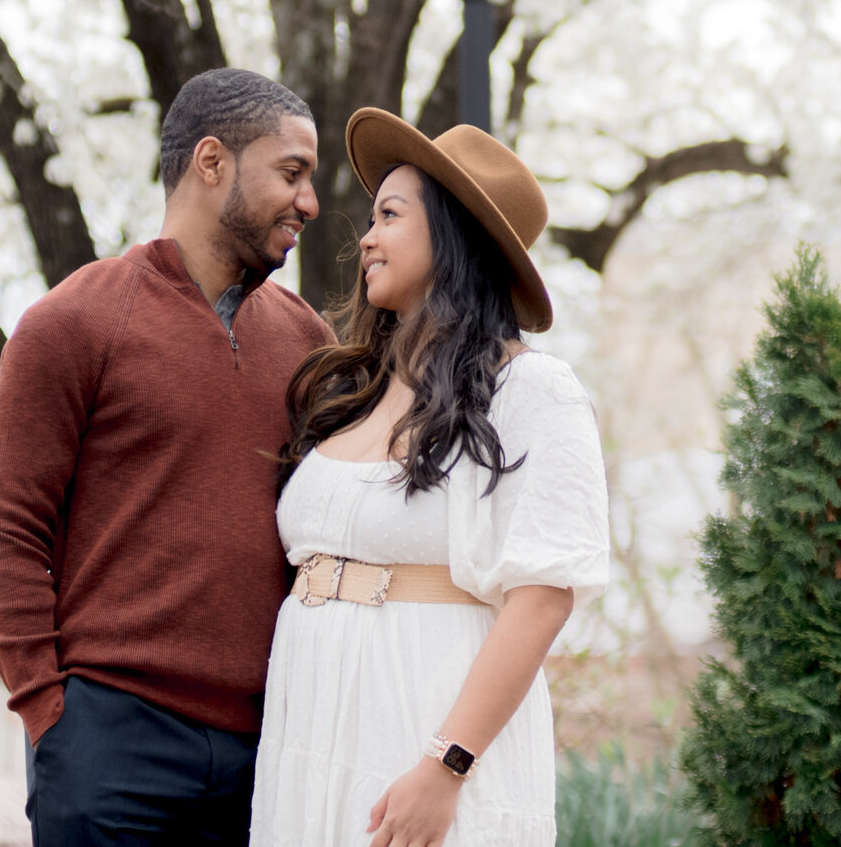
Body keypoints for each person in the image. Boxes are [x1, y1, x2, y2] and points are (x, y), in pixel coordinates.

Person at [0, 68, 336, 846]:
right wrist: (49, 715)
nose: (309, 201)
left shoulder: (312, 344)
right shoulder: (72, 322)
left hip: (266, 750)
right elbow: (10, 534)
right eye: (292, 172)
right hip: (109, 741)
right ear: (212, 162)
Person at [251, 108, 611, 847]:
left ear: (452, 237)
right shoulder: (348, 393)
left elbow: (543, 598)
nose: (368, 237)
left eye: (389, 214)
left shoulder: (531, 392)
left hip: (423, 736)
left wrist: (446, 765)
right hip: (310, 737)